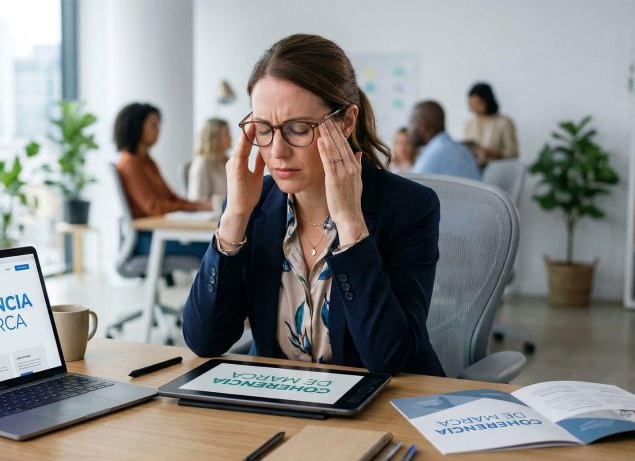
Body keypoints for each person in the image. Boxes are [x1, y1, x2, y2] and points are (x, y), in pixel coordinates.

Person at [182, 34, 444, 376]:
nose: (277, 151)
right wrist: (234, 217)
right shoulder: (253, 205)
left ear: (345, 122)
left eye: (298, 128)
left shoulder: (410, 207)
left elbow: (389, 360)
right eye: (264, 129)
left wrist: (350, 225)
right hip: (280, 397)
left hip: (381, 402)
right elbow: (204, 340)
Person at [114, 102, 210, 256]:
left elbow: (170, 197)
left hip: (158, 233)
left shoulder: (148, 161)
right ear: (137, 127)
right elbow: (153, 207)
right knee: (213, 249)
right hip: (146, 240)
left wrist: (196, 205)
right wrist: (192, 207)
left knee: (218, 246)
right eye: (154, 125)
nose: (158, 130)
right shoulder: (129, 163)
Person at [410, 100, 481, 180]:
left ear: (422, 125)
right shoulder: (463, 150)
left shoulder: (433, 154)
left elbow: (412, 186)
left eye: (411, 123)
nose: (409, 130)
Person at [464, 82, 519, 166]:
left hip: (497, 168)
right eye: (471, 104)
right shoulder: (469, 123)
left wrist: (492, 153)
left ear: (487, 101)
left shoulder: (504, 122)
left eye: (477, 104)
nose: (474, 108)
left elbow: (513, 152)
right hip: (474, 167)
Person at [187, 118, 231, 202]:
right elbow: (197, 200)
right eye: (226, 134)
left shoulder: (227, 160)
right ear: (214, 138)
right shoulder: (202, 163)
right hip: (217, 210)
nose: (230, 137)